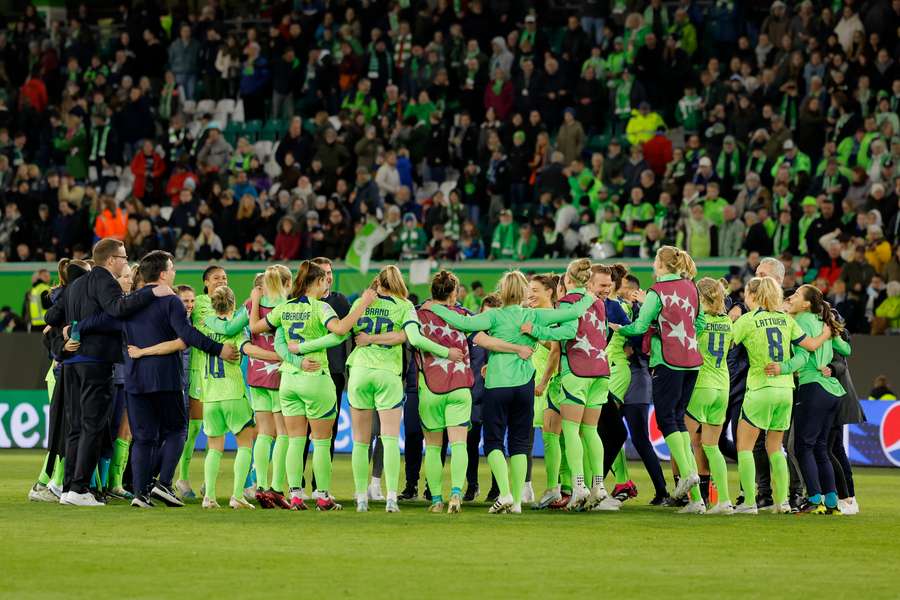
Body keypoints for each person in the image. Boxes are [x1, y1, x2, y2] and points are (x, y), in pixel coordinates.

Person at [289, 265, 459, 513]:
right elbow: (412, 338)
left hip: (359, 370)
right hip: (388, 373)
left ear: (377, 283)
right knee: (389, 438)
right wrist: (445, 352)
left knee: (360, 441)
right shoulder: (404, 306)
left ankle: (360, 499)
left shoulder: (361, 301)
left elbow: (343, 333)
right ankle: (390, 498)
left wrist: (303, 348)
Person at [429, 270, 591, 513]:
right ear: (524, 291)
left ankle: (504, 493)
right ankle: (516, 502)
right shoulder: (534, 314)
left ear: (501, 291)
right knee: (519, 443)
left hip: (497, 384)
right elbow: (574, 313)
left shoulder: (494, 316)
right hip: (524, 385)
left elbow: (462, 323)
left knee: (494, 442)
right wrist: (589, 296)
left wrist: (433, 307)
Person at [81, 252, 235, 507]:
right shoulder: (171, 302)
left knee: (143, 437)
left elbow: (103, 320)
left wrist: (74, 327)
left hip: (135, 379)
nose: (174, 272)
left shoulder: (129, 302)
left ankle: (141, 494)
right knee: (177, 430)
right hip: (166, 377)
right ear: (163, 274)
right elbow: (186, 334)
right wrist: (219, 350)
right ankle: (164, 483)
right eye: (172, 268)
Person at [376, 271, 531, 513]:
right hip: (460, 387)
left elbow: (408, 340)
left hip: (429, 388)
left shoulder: (416, 313)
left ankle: (437, 499)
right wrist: (516, 347)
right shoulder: (464, 316)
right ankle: (457, 494)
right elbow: (485, 340)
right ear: (454, 293)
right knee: (459, 444)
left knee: (434, 447)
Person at [45, 238, 167, 507]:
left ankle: (69, 489)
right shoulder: (105, 280)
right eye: (123, 257)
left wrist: (74, 330)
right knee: (93, 426)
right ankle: (79, 488)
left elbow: (58, 319)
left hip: (73, 363)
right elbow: (117, 312)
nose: (125, 261)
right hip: (96, 361)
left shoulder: (76, 285)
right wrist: (148, 293)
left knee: (76, 427)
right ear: (111, 260)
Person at [263, 261, 366, 511]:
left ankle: (296, 495)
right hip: (315, 377)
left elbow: (258, 327)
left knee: (296, 440)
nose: (327, 284)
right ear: (318, 282)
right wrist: (362, 304)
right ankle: (322, 496)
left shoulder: (285, 308)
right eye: (325, 280)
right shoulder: (321, 307)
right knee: (321, 441)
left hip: (288, 379)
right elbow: (340, 329)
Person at [731, 277, 831, 514]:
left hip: (760, 387)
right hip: (785, 390)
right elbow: (808, 348)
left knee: (744, 447)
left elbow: (727, 342)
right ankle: (783, 502)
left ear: (753, 296)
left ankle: (749, 503)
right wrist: (826, 334)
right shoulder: (787, 320)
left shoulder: (748, 320)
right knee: (775, 447)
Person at [522, 258, 617, 511]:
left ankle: (578, 487)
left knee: (572, 430)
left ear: (566, 280)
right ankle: (598, 485)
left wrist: (535, 330)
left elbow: (567, 333)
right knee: (591, 431)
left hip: (577, 370)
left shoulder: (568, 303)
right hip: (601, 370)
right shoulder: (598, 303)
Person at [613, 246, 705, 506]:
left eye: (655, 260)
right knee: (678, 419)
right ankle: (695, 497)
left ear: (661, 264)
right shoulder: (691, 288)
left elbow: (640, 327)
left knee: (666, 420)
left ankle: (688, 474)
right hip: (692, 361)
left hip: (668, 361)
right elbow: (700, 324)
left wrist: (619, 329)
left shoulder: (656, 292)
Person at [204, 266, 293, 508]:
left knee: (264, 432)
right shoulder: (288, 306)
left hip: (255, 375)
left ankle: (261, 485)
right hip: (280, 371)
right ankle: (275, 487)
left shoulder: (250, 304)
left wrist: (210, 321)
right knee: (283, 433)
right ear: (286, 283)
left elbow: (229, 328)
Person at [767, 285, 850, 515]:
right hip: (832, 392)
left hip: (813, 388)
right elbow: (845, 348)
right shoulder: (821, 321)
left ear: (806, 303)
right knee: (821, 449)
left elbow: (803, 356)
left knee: (803, 448)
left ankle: (814, 499)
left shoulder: (801, 320)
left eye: (795, 295)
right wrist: (831, 332)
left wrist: (782, 368)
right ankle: (832, 502)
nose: (790, 297)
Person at [176, 265, 229, 498]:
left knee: (216, 429)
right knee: (195, 427)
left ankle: (209, 482)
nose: (221, 280)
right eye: (216, 277)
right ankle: (183, 478)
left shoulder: (230, 304)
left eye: (224, 277)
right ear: (206, 282)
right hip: (199, 371)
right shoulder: (197, 302)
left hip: (220, 374)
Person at [683, 278, 734, 514]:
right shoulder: (727, 322)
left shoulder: (698, 322)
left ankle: (696, 501)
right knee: (712, 447)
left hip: (701, 385)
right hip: (723, 387)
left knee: (685, 441)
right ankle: (723, 500)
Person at [527, 274, 563, 508]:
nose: (530, 294)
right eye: (528, 289)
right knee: (528, 435)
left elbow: (556, 350)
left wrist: (544, 382)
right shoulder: (531, 316)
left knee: (555, 438)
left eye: (535, 290)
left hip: (549, 385)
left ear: (549, 292)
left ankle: (557, 488)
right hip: (531, 383)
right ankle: (527, 487)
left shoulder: (556, 317)